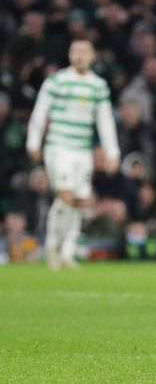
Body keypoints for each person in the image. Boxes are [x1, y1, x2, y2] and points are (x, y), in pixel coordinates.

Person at [26, 39, 120, 269]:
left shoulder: (98, 86)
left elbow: (105, 120)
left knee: (80, 200)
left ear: (93, 56)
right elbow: (40, 112)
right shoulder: (56, 81)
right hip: (58, 146)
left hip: (82, 150)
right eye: (75, 51)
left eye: (84, 52)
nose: (79, 56)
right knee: (65, 195)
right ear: (69, 55)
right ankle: (51, 247)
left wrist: (112, 151)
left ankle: (67, 251)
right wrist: (33, 142)